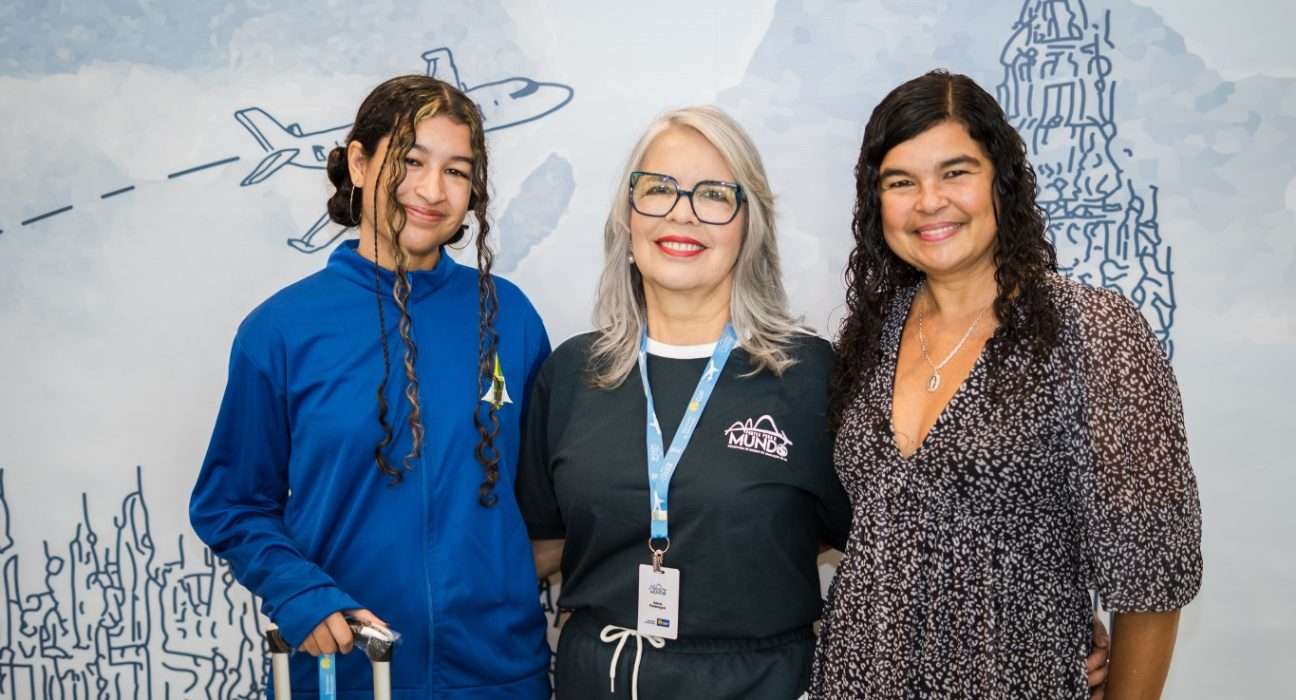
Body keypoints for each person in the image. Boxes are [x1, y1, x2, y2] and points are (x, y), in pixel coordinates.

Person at [811, 70, 1202, 698]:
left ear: (1003, 181)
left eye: (955, 172)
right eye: (900, 181)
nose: (929, 201)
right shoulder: (872, 335)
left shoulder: (1092, 331)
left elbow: (1150, 577)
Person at [189, 75, 551, 699]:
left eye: (456, 171)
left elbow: (549, 500)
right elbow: (232, 503)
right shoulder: (281, 330)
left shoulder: (510, 318)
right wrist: (301, 590)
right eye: (410, 161)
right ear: (359, 163)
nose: (432, 191)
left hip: (498, 676)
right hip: (348, 674)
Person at [516, 106, 851, 699]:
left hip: (762, 683)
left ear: (749, 226)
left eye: (714, 194)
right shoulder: (572, 372)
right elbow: (538, 547)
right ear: (627, 215)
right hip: (602, 679)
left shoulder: (809, 375)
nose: (681, 212)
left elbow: (862, 542)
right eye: (659, 188)